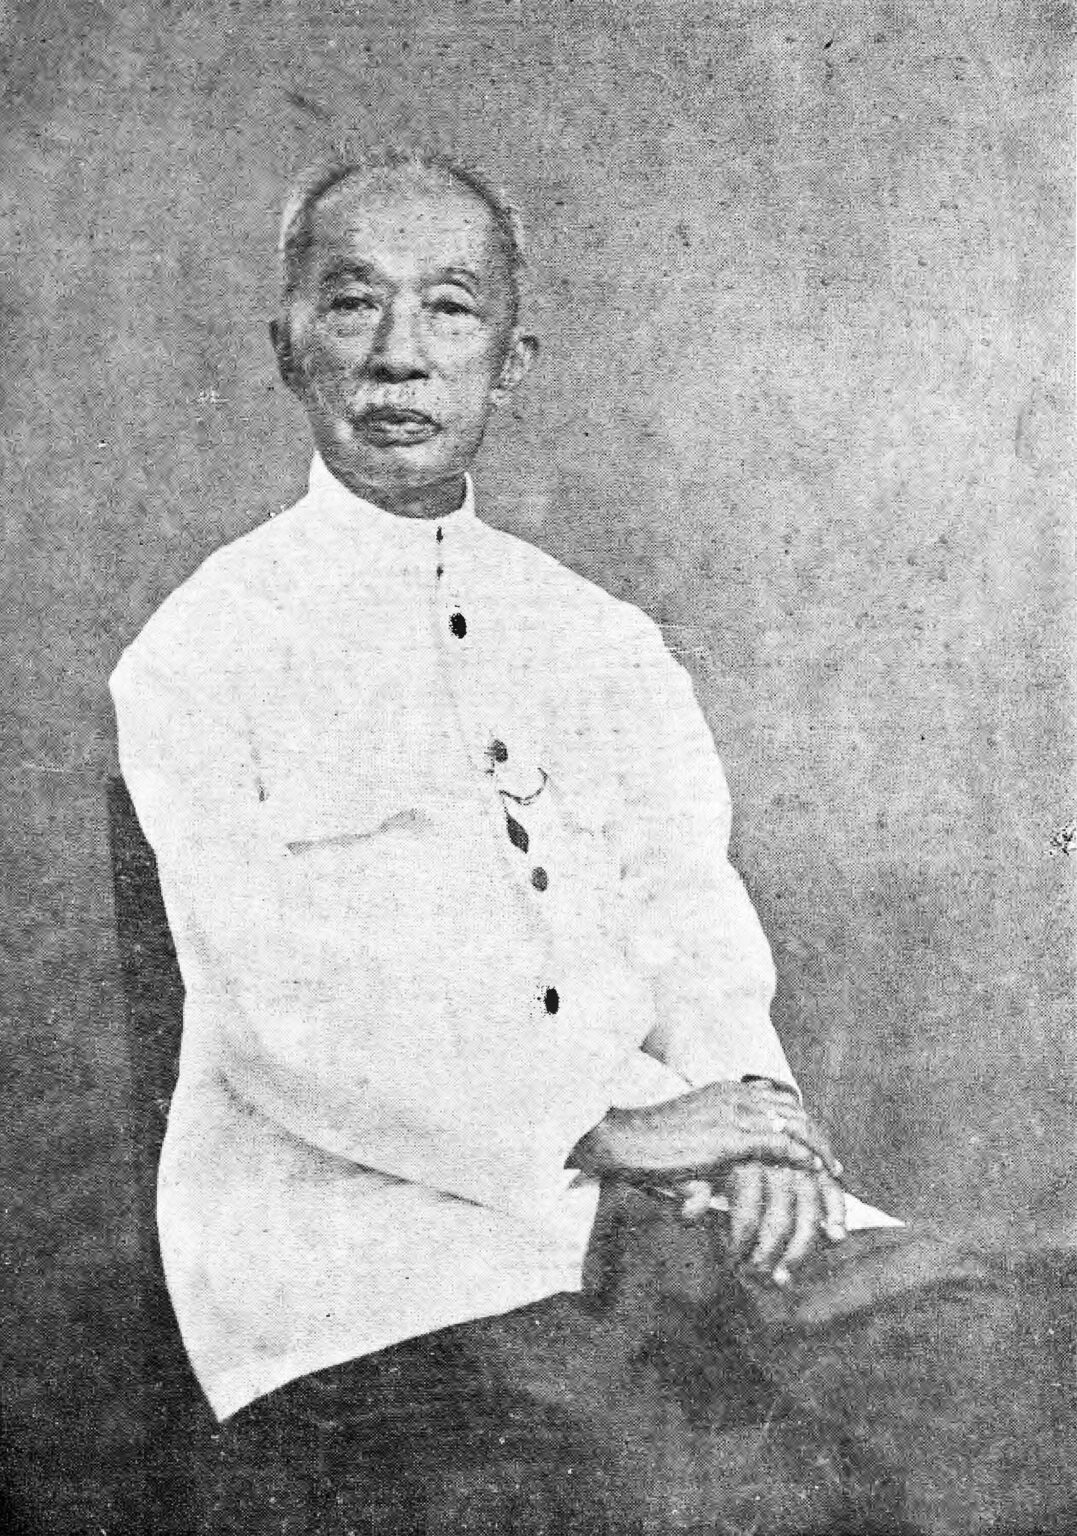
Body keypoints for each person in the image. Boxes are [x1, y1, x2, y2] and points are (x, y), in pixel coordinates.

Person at [111, 151, 1076, 1535]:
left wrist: (757, 1123)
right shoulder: (201, 655)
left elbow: (694, 928)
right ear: (286, 347)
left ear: (509, 360)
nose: (398, 356)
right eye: (352, 304)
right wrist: (608, 1129)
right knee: (710, 1492)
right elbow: (277, 1025)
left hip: (668, 1199)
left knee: (998, 1366)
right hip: (369, 1244)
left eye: (449, 308)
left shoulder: (599, 638)